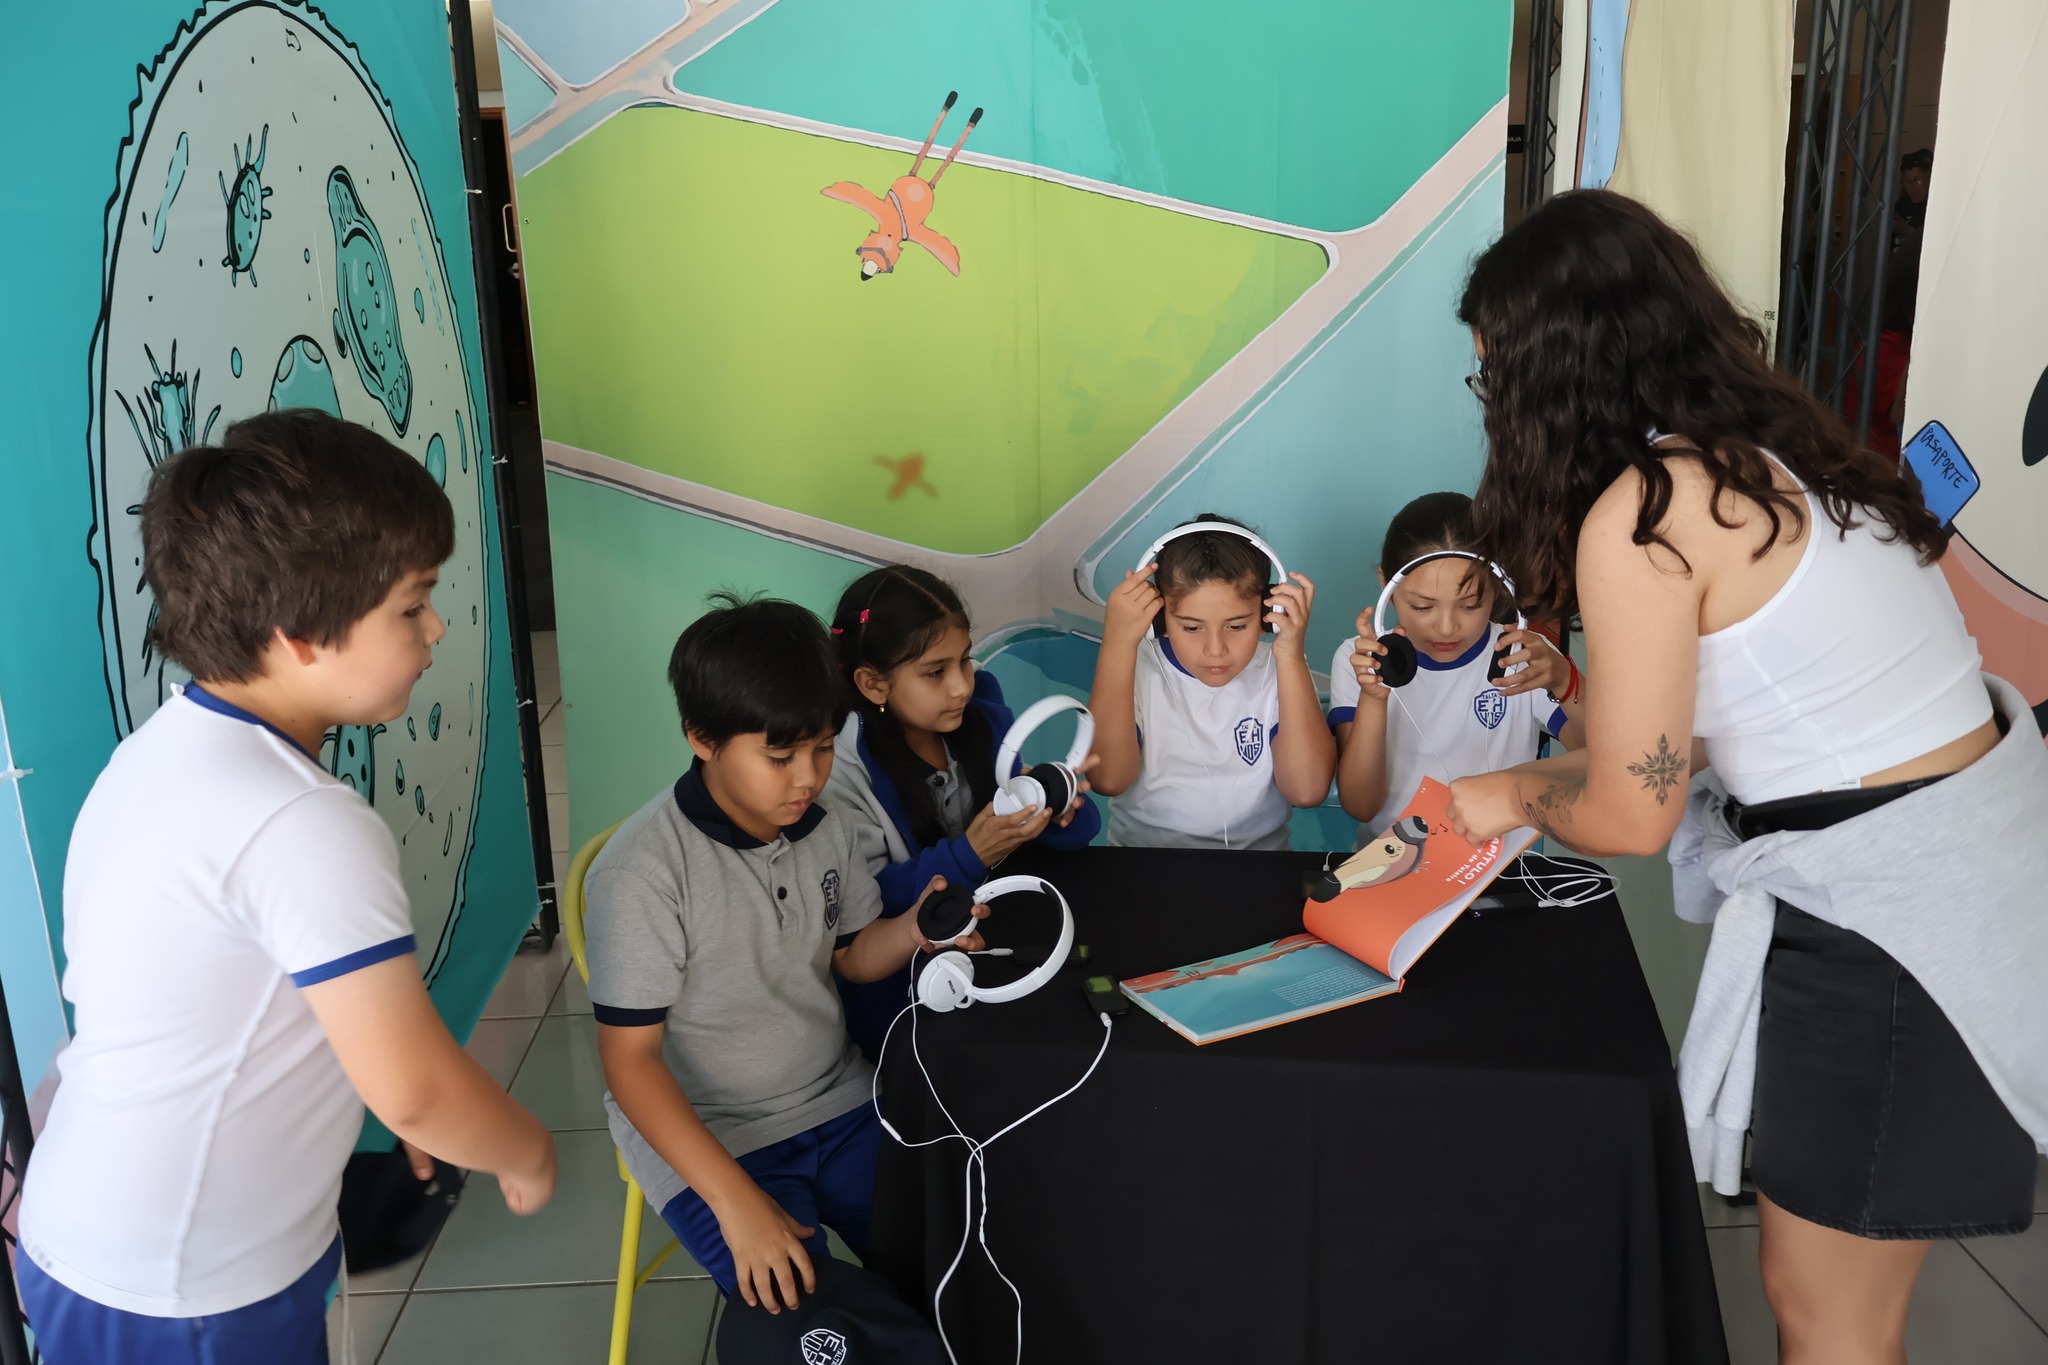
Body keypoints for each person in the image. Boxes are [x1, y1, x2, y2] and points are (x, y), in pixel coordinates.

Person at [1444, 190, 2048, 1365]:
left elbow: (1629, 808)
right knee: (1830, 1301)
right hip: (1950, 888)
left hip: (1898, 928)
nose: (1489, 412)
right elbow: (1767, 725)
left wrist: (1506, 793)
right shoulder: (1783, 465)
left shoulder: (1647, 512)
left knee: (1826, 1317)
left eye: (1491, 380)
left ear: (1554, 370)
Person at [16, 410, 557, 1365]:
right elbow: (421, 1089)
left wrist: (384, 1105)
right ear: (301, 633)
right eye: (410, 604)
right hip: (183, 1289)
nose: (435, 627)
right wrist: (523, 1147)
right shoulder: (300, 821)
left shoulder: (165, 751)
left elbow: (249, 1002)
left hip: (116, 1241)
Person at [585, 595, 981, 1318]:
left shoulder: (823, 829)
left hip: (840, 1098)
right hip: (716, 1133)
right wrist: (738, 1203)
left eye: (824, 747)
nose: (807, 777)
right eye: (779, 755)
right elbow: (630, 1061)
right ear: (702, 737)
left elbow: (852, 956)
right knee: (817, 1323)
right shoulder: (639, 871)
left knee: (962, 1265)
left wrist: (917, 926)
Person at [822, 565, 1100, 1059]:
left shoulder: (983, 717)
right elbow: (868, 907)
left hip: (999, 929)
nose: (961, 686)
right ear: (872, 684)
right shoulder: (841, 767)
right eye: (936, 672)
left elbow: (1074, 836)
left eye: (965, 661)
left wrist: (1054, 805)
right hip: (911, 982)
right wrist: (971, 854)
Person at [1329, 492, 1584, 840]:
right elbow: (1361, 805)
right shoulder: (1359, 661)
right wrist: (1374, 699)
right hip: (1394, 869)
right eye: (1422, 607)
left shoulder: (1519, 655)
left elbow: (1600, 760)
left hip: (1504, 871)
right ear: (1386, 585)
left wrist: (1564, 679)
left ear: (1497, 586)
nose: (1447, 627)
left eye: (1470, 605)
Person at [1087, 514, 1335, 850]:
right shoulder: (1135, 666)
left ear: (1267, 615)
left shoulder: (1280, 666)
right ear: (1158, 618)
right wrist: (1117, 644)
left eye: (1236, 626)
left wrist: (1291, 654)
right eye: (1191, 627)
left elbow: (1307, 790)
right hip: (1144, 867)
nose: (1215, 650)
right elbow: (1108, 779)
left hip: (1258, 869)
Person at [1892, 147, 1932, 243]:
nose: (1911, 186)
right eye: (1907, 181)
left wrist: (1906, 230)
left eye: (1917, 180)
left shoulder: (1934, 209)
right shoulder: (1900, 206)